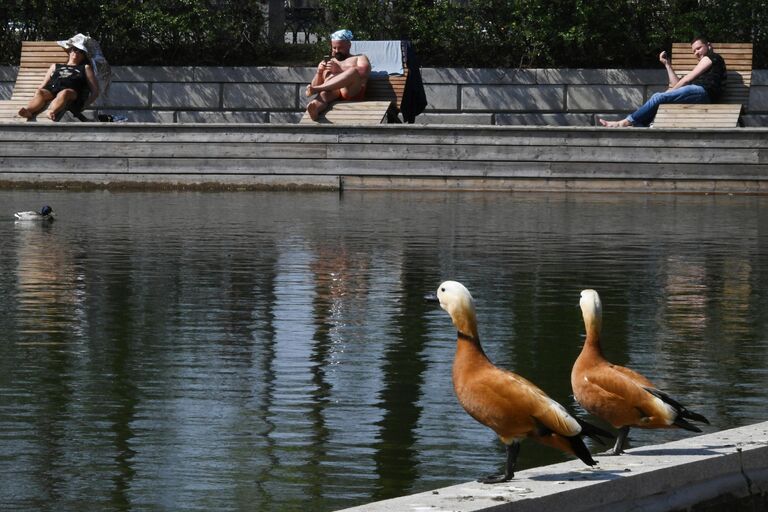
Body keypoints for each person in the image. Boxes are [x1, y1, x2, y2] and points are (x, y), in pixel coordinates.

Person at [599, 37, 726, 127]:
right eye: (694, 51)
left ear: (709, 46)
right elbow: (679, 83)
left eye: (699, 48)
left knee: (659, 97)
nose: (696, 53)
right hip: (698, 94)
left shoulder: (713, 57)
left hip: (704, 93)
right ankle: (639, 124)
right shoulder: (703, 64)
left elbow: (687, 79)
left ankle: (625, 122)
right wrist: (667, 65)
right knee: (659, 98)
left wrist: (670, 91)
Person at [18, 39, 100, 121]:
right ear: (70, 52)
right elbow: (43, 84)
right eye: (75, 49)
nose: (77, 52)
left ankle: (51, 112)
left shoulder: (85, 67)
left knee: (64, 92)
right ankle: (28, 111)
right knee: (40, 92)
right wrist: (37, 92)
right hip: (53, 89)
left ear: (83, 56)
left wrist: (84, 105)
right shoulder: (55, 66)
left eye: (81, 51)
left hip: (71, 92)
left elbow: (95, 91)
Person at [305, 29, 371, 121]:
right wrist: (319, 72)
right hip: (334, 93)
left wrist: (339, 69)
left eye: (340, 48)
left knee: (353, 71)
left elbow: (364, 72)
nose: (336, 51)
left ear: (349, 45)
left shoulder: (359, 57)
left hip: (351, 91)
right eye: (334, 48)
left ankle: (319, 90)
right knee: (324, 94)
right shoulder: (329, 62)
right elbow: (314, 86)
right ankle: (315, 109)